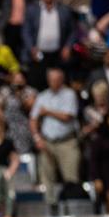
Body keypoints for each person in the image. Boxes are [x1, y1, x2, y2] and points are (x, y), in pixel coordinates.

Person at [30, 68, 80, 207]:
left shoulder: (69, 94)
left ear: (62, 80)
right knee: (47, 178)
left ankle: (70, 206)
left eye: (57, 79)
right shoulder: (42, 96)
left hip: (66, 141)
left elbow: (67, 116)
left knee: (71, 176)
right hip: (47, 141)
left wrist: (47, 112)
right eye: (51, 80)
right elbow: (33, 119)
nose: (54, 82)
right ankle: (50, 206)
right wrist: (37, 138)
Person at [21, 0, 76, 87]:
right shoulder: (32, 9)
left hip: (57, 54)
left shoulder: (64, 9)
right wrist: (31, 47)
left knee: (58, 82)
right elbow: (26, 31)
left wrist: (68, 47)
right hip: (38, 53)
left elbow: (73, 31)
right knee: (38, 82)